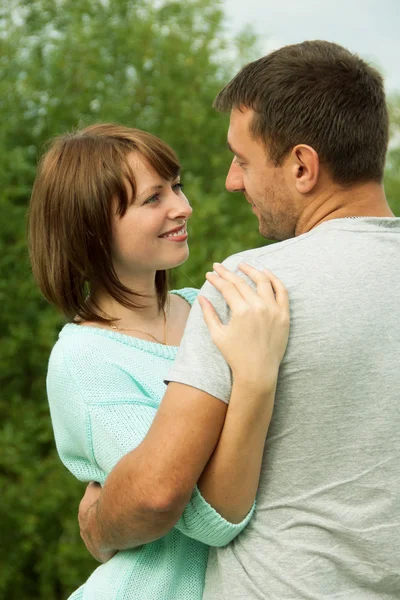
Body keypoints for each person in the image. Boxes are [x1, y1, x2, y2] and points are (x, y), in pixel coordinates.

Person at [77, 40, 400, 599]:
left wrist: (99, 520)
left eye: (243, 160)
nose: (231, 181)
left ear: (302, 166)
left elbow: (155, 493)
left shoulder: (248, 288)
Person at [28, 123, 290, 600]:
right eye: (153, 199)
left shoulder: (213, 310)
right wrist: (255, 378)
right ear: (90, 226)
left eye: (177, 186)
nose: (183, 207)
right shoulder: (83, 360)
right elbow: (200, 519)